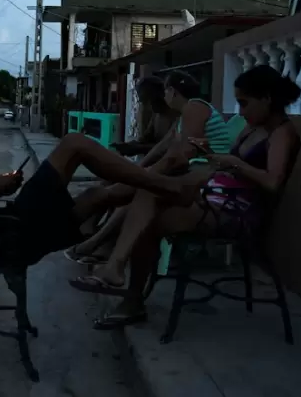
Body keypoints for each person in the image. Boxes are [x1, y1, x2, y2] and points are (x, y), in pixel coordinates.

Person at [70, 65, 301, 329]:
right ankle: (115, 268)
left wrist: (233, 163)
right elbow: (179, 149)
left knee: (147, 215)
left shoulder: (282, 133)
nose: (241, 111)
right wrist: (215, 157)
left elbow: (272, 182)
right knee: (148, 192)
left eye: (245, 103)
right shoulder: (252, 129)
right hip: (213, 194)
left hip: (235, 211)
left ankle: (124, 285)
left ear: (267, 99)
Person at [0, 93, 199, 266]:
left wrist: (0, 186)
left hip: (10, 228)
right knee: (74, 144)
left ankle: (165, 185)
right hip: (7, 237)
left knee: (97, 196)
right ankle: (170, 184)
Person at [66, 71, 231, 262]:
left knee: (132, 191)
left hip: (202, 179)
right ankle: (94, 238)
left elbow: (181, 155)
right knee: (123, 184)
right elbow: (164, 146)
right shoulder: (182, 115)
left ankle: (96, 240)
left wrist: (144, 173)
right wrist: (139, 169)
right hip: (190, 175)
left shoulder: (194, 107)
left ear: (171, 91)